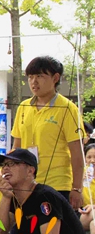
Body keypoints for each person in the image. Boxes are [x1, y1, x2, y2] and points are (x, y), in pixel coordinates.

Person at [11, 56, 83, 209]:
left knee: (52, 224)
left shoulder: (68, 108)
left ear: (55, 78)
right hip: (26, 184)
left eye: (40, 76)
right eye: (30, 77)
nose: (34, 82)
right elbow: (16, 148)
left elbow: (77, 153)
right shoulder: (23, 107)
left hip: (57, 184)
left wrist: (77, 188)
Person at [78, 143, 95, 234]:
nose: (92, 160)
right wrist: (81, 182)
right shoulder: (80, 175)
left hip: (93, 214)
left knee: (94, 224)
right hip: (82, 215)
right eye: (89, 157)